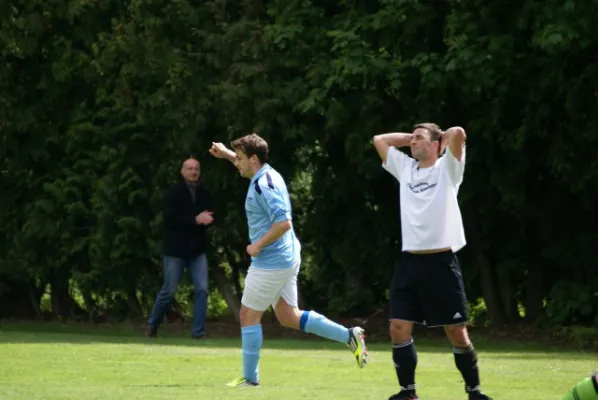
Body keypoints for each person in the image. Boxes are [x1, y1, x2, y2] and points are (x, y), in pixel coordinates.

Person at [209, 133, 367, 387]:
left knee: (248, 315)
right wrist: (228, 154)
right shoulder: (264, 172)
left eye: (239, 158)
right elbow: (247, 164)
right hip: (286, 255)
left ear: (253, 159)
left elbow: (283, 223)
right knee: (288, 316)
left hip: (272, 260)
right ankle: (349, 336)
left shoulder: (264, 184)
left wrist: (256, 246)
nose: (236, 163)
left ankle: (250, 380)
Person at [373, 123, 492, 400]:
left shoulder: (448, 168)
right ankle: (408, 393)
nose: (413, 143)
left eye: (419, 139)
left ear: (437, 145)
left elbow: (459, 133)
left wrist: (440, 139)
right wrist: (412, 137)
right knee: (398, 327)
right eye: (411, 139)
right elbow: (379, 140)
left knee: (456, 332)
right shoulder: (405, 169)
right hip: (409, 262)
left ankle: (474, 392)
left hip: (441, 262)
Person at [147, 158, 214, 339]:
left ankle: (198, 332)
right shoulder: (173, 193)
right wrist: (195, 220)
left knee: (202, 289)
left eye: (196, 169)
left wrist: (205, 220)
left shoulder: (204, 194)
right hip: (175, 249)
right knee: (169, 289)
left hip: (197, 250)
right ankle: (153, 324)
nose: (193, 172)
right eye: (190, 169)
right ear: (182, 171)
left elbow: (210, 216)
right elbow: (170, 219)